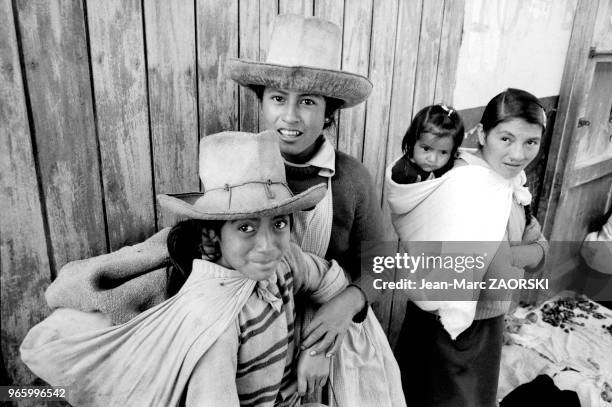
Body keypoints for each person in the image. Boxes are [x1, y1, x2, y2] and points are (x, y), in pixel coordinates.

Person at [46, 13, 386, 360]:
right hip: (248, 329)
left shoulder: (351, 177)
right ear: (262, 100)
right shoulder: (236, 168)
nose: (291, 116)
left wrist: (347, 304)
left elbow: (383, 262)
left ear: (330, 110)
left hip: (328, 329)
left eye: (309, 101)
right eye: (279, 98)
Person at [20, 131, 380, 406]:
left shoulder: (289, 257)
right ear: (212, 237)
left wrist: (322, 340)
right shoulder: (215, 323)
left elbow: (342, 277)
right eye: (246, 227)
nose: (267, 244)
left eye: (279, 224)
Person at [386, 88, 549, 406]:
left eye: (531, 142)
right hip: (443, 329)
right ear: (483, 133)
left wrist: (528, 254)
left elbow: (536, 243)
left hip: (486, 325)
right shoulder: (461, 183)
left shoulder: (511, 182)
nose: (518, 153)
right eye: (506, 139)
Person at [391, 104, 464, 184]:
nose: (433, 159)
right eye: (426, 149)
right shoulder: (402, 171)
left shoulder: (450, 168)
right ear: (413, 141)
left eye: (443, 152)